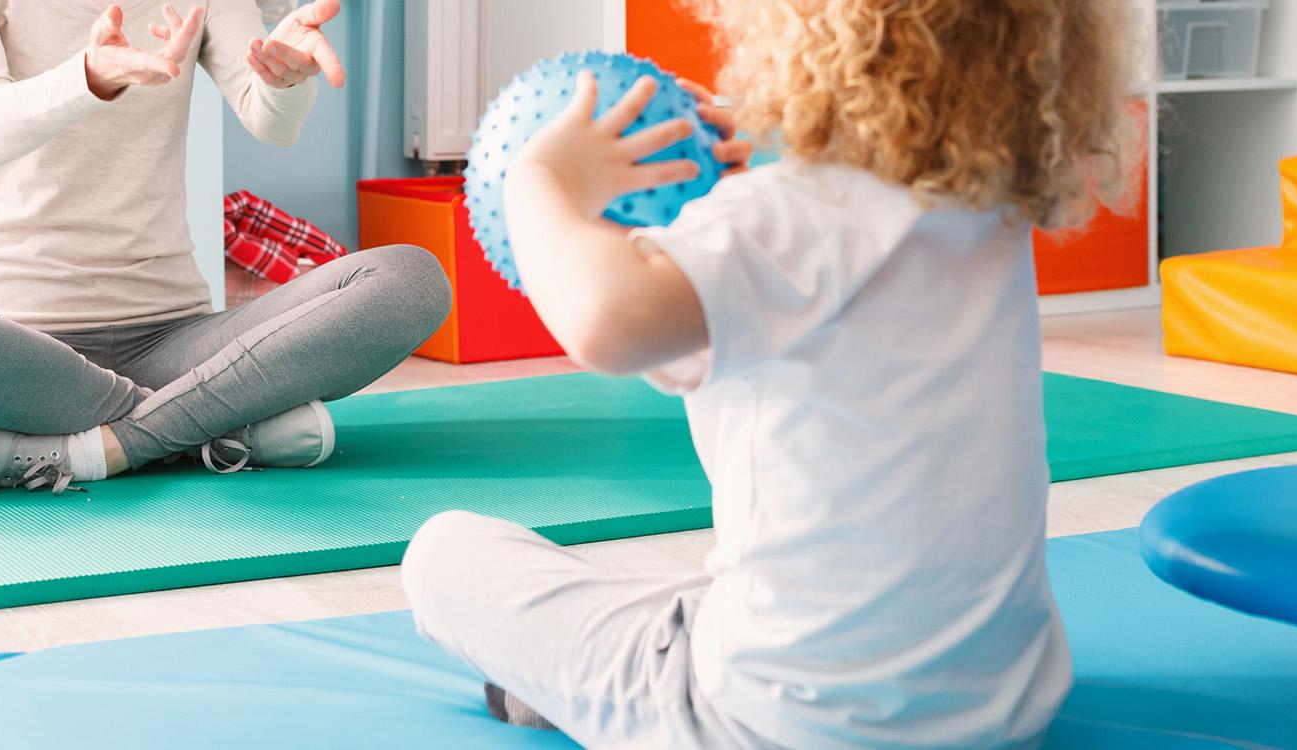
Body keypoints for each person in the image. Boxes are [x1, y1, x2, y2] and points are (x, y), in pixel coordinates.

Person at [399, 0, 1136, 746]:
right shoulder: (982, 214)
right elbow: (810, 262)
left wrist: (538, 179)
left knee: (445, 553)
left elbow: (605, 323)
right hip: (1000, 707)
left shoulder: (783, 218)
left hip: (774, 725)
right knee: (680, 592)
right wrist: (731, 204)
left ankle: (571, 691)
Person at [0, 1, 452, 495]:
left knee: (410, 278)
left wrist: (286, 82)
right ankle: (217, 424)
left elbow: (272, 121)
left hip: (173, 339)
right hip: (17, 354)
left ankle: (101, 449)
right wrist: (89, 76)